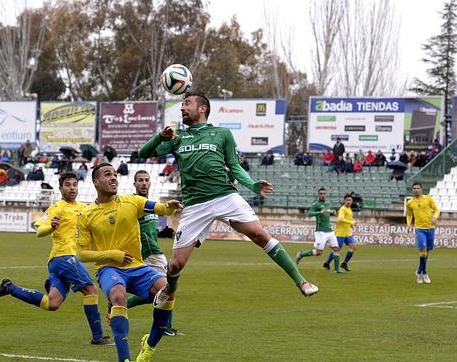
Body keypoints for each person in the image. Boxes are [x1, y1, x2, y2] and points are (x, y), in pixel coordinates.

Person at [139, 91, 318, 311]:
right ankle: (169, 288)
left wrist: (252, 184)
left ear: (202, 108)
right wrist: (161, 136)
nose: (183, 108)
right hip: (195, 205)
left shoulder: (222, 134)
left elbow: (234, 166)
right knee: (175, 264)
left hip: (225, 195)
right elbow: (143, 153)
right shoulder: (178, 138)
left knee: (259, 234)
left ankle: (301, 281)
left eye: (187, 104)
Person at [0, 172, 112, 345]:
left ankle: (10, 288)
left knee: (52, 303)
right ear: (60, 188)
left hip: (58, 261)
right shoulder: (56, 207)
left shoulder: (84, 208)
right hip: (65, 256)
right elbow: (39, 231)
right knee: (91, 290)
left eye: (75, 184)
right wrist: (51, 227)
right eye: (68, 185)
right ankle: (98, 337)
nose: (72, 188)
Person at [76, 163, 183, 362]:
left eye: (115, 174)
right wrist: (113, 254)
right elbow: (81, 254)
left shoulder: (132, 201)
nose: (114, 178)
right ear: (96, 182)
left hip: (137, 266)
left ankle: (149, 345)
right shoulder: (85, 214)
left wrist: (169, 208)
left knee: (168, 292)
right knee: (118, 295)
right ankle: (124, 359)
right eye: (107, 175)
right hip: (108, 268)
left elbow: (158, 208)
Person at [127, 170, 182, 336]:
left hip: (153, 252)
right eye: (140, 180)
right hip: (149, 254)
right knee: (168, 289)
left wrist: (163, 231)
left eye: (146, 180)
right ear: (134, 184)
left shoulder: (151, 204)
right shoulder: (133, 205)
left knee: (160, 293)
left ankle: (122, 303)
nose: (144, 183)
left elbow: (150, 229)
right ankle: (165, 328)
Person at [295, 187, 344, 273]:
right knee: (319, 252)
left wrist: (332, 212)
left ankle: (337, 269)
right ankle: (301, 254)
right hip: (320, 232)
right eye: (321, 194)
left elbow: (326, 212)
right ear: (318, 195)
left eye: (324, 194)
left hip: (330, 231)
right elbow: (309, 213)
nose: (323, 195)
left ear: (326, 195)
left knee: (336, 248)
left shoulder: (328, 203)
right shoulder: (316, 204)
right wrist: (319, 212)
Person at [406, 182, 440, 284]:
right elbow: (409, 215)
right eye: (414, 188)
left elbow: (437, 209)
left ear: (421, 189)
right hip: (419, 228)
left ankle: (419, 270)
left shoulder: (428, 199)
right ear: (412, 190)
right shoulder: (410, 203)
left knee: (427, 252)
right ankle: (423, 273)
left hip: (430, 228)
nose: (416, 190)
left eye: (418, 188)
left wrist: (434, 217)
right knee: (423, 251)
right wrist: (408, 224)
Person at [324, 194, 357, 271]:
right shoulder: (343, 209)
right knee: (337, 249)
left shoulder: (349, 209)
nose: (348, 202)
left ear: (352, 201)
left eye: (350, 200)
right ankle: (327, 263)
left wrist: (351, 225)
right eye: (347, 200)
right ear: (344, 201)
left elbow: (348, 219)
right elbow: (340, 219)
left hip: (348, 233)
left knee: (353, 247)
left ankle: (344, 263)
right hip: (340, 233)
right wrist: (351, 222)